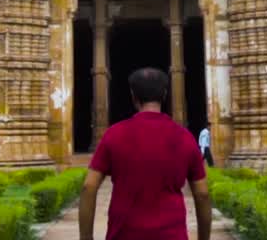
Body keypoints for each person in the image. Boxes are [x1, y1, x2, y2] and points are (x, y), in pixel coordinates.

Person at [79, 67, 212, 240]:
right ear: (165, 94)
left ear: (133, 96)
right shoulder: (185, 138)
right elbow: (202, 194)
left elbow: (88, 187)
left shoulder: (114, 134)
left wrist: (86, 237)